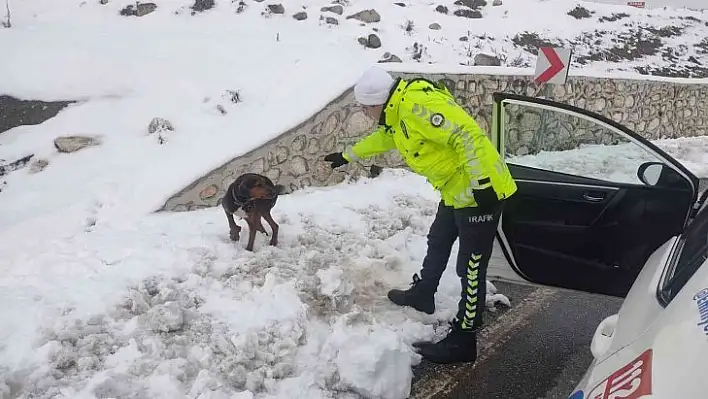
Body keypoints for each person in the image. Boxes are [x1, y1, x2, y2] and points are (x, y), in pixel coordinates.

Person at [323, 66, 517, 364]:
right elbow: (386, 139)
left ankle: (464, 339)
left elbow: (466, 136)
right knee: (438, 239)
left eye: (364, 108)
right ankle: (424, 293)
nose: (364, 113)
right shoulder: (398, 113)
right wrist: (348, 155)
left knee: (472, 266)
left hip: (480, 191)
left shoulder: (417, 106)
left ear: (377, 102)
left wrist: (482, 185)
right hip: (457, 190)